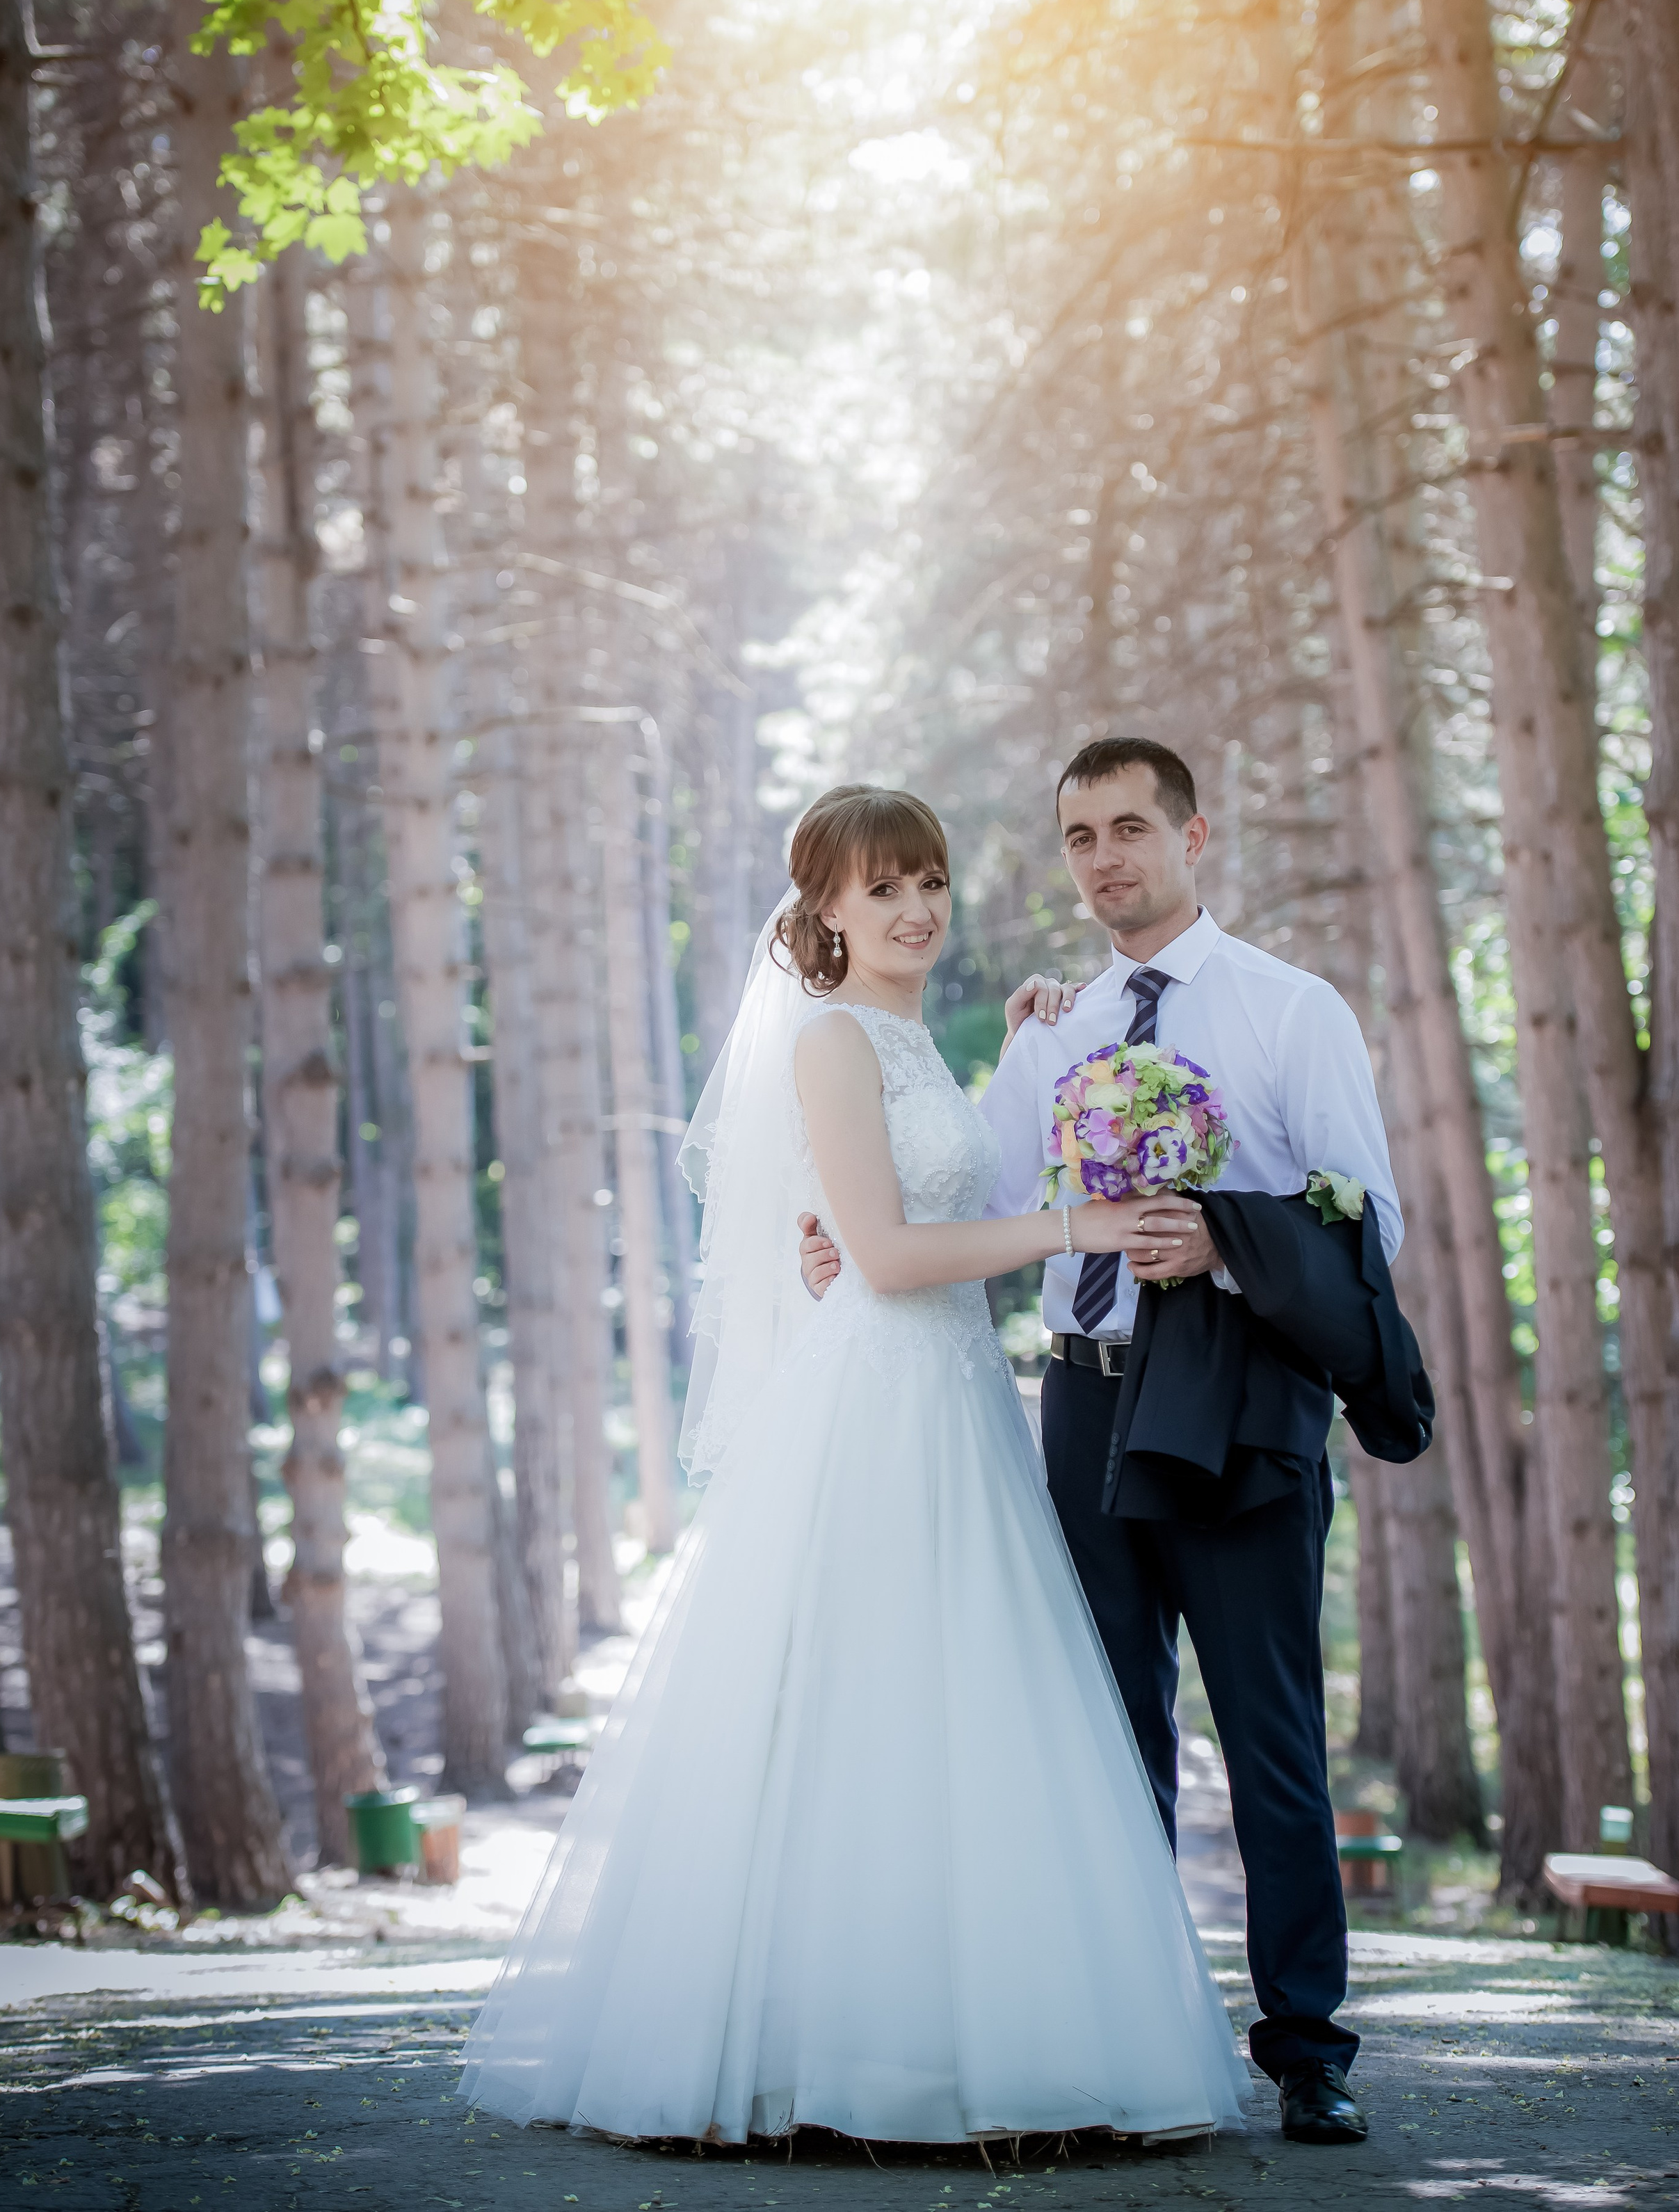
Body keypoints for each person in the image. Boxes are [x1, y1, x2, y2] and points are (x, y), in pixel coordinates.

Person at [458, 783, 1249, 2147]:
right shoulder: (829, 1040)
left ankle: (968, 2045)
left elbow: (931, 1202)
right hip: (878, 1403)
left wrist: (1014, 1073)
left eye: (928, 880)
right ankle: (821, 2054)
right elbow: (882, 1258)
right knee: (866, 1711)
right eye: (881, 886)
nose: (914, 908)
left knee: (963, 1717)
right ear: (822, 907)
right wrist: (1084, 1223)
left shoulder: (910, 1035)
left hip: (950, 1399)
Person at [801, 737, 1400, 2146]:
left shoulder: (1286, 1010)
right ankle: (1132, 2038)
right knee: (1099, 1730)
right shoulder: (1058, 1027)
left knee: (1266, 1733)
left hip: (1241, 1398)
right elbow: (982, 1190)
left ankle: (1306, 2045)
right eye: (1077, 838)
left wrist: (1227, 1243)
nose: (1103, 859)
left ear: (1197, 835)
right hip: (1078, 1400)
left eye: (1129, 828)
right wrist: (841, 1237)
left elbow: (1374, 1223)